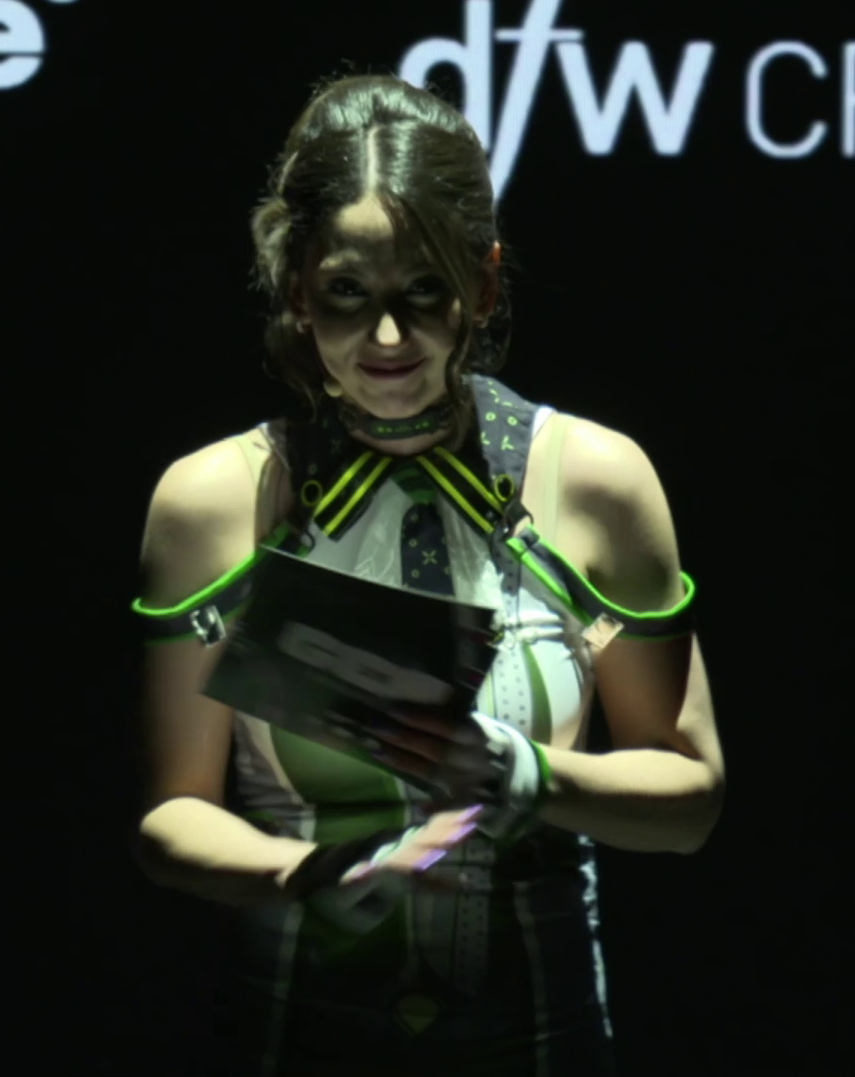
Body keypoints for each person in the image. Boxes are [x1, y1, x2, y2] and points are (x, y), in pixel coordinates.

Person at [131, 71, 725, 1077]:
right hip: (291, 1039)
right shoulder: (211, 500)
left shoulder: (594, 479)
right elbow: (169, 814)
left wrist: (520, 771)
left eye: (422, 290)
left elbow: (689, 797)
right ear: (297, 290)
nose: (387, 338)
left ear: (482, 285)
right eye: (347, 293)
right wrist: (308, 873)